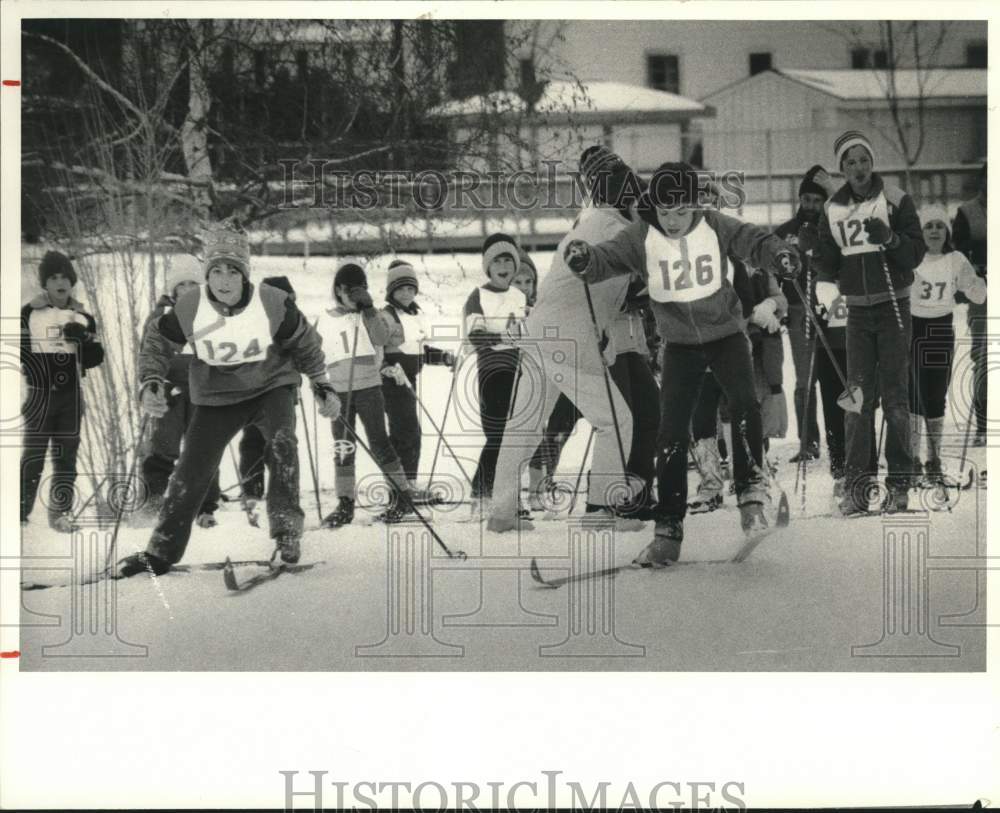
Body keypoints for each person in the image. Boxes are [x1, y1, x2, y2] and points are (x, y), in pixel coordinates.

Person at [563, 161, 801, 566]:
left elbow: (753, 240)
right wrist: (586, 259)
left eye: (681, 212)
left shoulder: (715, 225)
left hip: (726, 336)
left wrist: (777, 254)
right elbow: (609, 257)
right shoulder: (642, 234)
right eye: (664, 212)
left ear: (695, 206)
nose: (672, 221)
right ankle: (667, 529)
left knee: (744, 406)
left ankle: (750, 498)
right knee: (671, 433)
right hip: (679, 347)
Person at [119, 223, 339, 577]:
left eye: (232, 271)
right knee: (191, 469)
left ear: (245, 274)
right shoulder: (191, 305)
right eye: (216, 271)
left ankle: (286, 533)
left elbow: (305, 343)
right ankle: (160, 552)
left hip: (271, 385)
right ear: (207, 275)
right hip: (216, 394)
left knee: (283, 444)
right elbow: (157, 342)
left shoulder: (272, 302)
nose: (224, 280)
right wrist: (151, 382)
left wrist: (322, 385)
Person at [486, 147, 646, 533]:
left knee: (523, 423)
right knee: (617, 421)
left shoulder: (589, 222)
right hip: (569, 338)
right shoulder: (614, 228)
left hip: (542, 331)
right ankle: (600, 510)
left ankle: (503, 512)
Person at [814, 131, 926, 515]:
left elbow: (914, 255)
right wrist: (817, 272)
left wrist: (891, 239)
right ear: (841, 168)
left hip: (894, 305)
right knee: (857, 400)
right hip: (858, 312)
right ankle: (859, 485)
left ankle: (899, 484)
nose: (858, 168)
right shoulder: (832, 206)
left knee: (895, 399)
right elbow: (827, 263)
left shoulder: (894, 199)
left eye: (863, 160)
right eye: (850, 162)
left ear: (872, 162)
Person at [318, 262, 415, 528]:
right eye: (351, 291)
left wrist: (368, 309)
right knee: (343, 447)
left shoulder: (370, 316)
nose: (356, 296)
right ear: (339, 290)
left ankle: (401, 495)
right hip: (339, 390)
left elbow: (382, 338)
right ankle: (345, 502)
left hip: (369, 388)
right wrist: (320, 389)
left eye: (362, 290)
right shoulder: (325, 318)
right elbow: (315, 354)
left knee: (379, 442)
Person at [20, 251, 105, 532]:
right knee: (33, 456)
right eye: (53, 277)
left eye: (65, 277)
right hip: (40, 394)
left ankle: (61, 514)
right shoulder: (30, 312)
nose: (60, 282)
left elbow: (94, 358)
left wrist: (84, 341)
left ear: (72, 282)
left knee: (66, 457)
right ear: (45, 283)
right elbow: (17, 350)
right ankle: (18, 513)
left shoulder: (82, 316)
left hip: (70, 396)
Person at [134, 256, 221, 528]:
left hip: (202, 389)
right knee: (163, 446)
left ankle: (206, 507)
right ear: (172, 290)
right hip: (170, 389)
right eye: (180, 284)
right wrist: (152, 382)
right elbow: (149, 351)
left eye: (192, 284)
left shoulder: (211, 313)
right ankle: (153, 501)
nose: (186, 289)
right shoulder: (161, 316)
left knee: (204, 448)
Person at [909, 204, 986, 483]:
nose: (934, 231)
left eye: (939, 226)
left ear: (947, 231)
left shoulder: (955, 258)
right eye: (928, 226)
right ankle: (913, 459)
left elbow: (975, 291)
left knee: (935, 393)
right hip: (912, 328)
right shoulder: (912, 257)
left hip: (940, 329)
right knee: (912, 394)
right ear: (920, 231)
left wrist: (980, 284)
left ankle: (934, 459)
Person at [463, 232, 529, 519]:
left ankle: (509, 497)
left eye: (508, 260)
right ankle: (481, 492)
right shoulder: (478, 296)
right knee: (497, 435)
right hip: (492, 370)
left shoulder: (519, 295)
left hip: (518, 371)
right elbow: (476, 337)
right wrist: (505, 336)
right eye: (497, 261)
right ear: (488, 267)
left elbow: (527, 330)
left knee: (515, 436)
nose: (503, 266)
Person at [378, 259, 455, 498]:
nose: (406, 293)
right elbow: (376, 348)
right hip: (392, 382)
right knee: (405, 432)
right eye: (400, 289)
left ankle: (407, 483)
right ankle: (400, 487)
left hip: (409, 379)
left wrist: (443, 357)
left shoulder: (414, 315)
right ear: (391, 291)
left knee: (411, 432)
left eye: (410, 289)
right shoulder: (386, 316)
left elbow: (419, 349)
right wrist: (387, 368)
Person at [774, 165, 836, 461]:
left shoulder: (833, 229)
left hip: (832, 309)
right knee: (804, 379)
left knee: (836, 373)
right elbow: (769, 272)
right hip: (800, 312)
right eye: (806, 199)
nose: (810, 206)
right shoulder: (785, 232)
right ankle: (808, 441)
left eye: (816, 200)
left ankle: (840, 435)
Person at [952, 163, 988, 447]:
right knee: (984, 357)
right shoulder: (967, 212)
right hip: (983, 294)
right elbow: (959, 254)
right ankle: (984, 424)